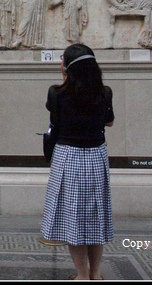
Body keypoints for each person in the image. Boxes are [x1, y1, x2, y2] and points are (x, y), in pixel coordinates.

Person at [41, 44, 114, 280]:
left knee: (73, 219)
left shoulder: (57, 93)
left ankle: (82, 275)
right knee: (95, 217)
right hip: (95, 155)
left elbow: (57, 122)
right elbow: (109, 122)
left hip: (68, 156)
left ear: (68, 68)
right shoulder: (105, 92)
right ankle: (95, 273)